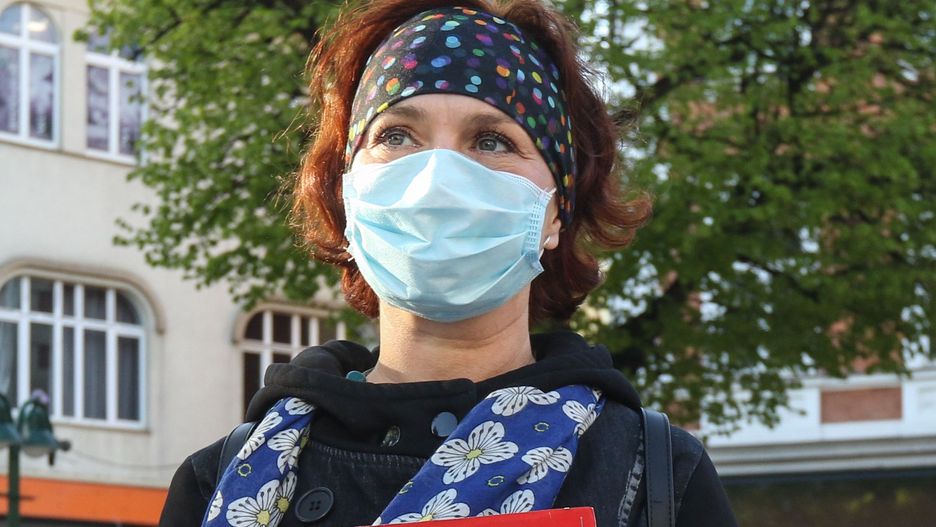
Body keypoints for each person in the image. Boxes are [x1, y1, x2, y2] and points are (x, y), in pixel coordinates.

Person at [160, 1, 738, 526]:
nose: (437, 178)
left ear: (555, 214)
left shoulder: (655, 477)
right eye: (396, 136)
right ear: (347, 192)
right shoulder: (218, 480)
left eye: (491, 141)